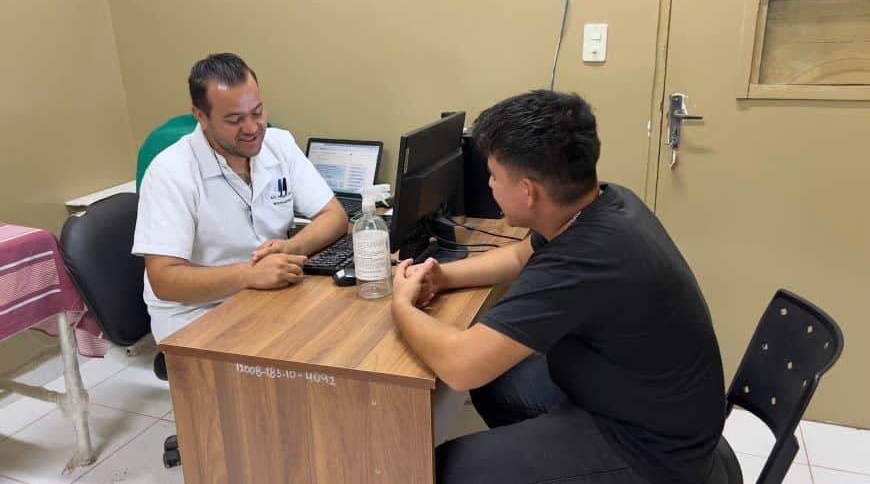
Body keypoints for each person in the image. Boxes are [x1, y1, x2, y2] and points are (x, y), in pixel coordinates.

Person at [392, 90, 726, 484]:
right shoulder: (602, 203)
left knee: (444, 469)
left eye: (494, 176)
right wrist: (444, 276)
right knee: (495, 384)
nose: (490, 185)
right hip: (637, 398)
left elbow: (461, 366)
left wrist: (402, 306)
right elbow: (520, 256)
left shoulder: (585, 258)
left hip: (651, 451)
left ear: (528, 191)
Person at [133, 53, 347, 342]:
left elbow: (334, 216)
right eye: (234, 120)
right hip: (197, 317)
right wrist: (249, 275)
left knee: (343, 328)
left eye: (257, 112)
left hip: (266, 296)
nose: (252, 128)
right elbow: (165, 280)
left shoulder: (279, 144)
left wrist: (290, 247)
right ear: (201, 116)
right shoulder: (170, 173)